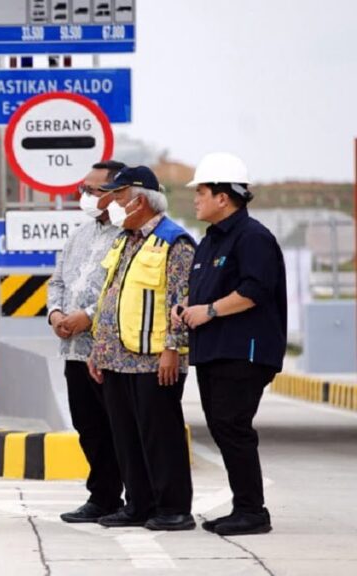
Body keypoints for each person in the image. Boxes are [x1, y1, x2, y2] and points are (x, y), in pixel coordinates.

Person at [173, 153, 286, 536]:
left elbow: (255, 290)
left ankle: (253, 512)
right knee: (223, 427)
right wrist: (187, 309)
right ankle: (245, 507)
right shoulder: (210, 241)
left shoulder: (253, 237)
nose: (196, 199)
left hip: (245, 350)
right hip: (214, 350)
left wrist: (211, 311)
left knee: (232, 426)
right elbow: (204, 295)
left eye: (202, 191)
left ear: (224, 197)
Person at [87, 166, 197, 531]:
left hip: (154, 360)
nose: (113, 203)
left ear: (141, 201)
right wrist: (98, 350)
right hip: (118, 357)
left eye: (119, 197)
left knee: (160, 436)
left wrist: (172, 350)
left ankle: (174, 509)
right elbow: (111, 297)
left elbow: (180, 300)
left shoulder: (174, 241)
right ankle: (139, 504)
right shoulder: (126, 239)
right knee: (127, 437)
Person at [46, 160, 126, 523]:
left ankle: (136, 497)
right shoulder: (79, 234)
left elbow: (122, 289)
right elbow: (57, 281)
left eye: (94, 190)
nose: (86, 196)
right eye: (84, 189)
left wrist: (89, 316)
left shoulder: (129, 236)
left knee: (119, 426)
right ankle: (103, 497)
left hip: (111, 353)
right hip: (74, 351)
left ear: (116, 194)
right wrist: (56, 314)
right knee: (88, 426)